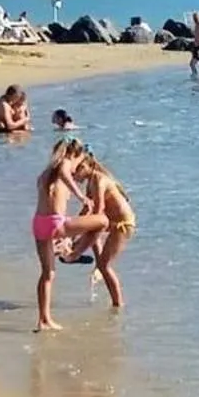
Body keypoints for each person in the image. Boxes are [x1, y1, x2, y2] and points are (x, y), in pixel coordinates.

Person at [31, 139, 108, 333]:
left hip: (39, 224)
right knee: (103, 221)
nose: (76, 169)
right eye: (79, 161)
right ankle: (73, 254)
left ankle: (43, 320)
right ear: (75, 155)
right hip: (55, 224)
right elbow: (65, 172)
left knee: (48, 274)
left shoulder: (46, 172)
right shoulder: (64, 163)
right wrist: (81, 197)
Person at [72, 150, 136, 310]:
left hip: (123, 224)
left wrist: (79, 238)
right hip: (111, 222)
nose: (73, 175)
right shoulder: (90, 183)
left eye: (76, 171)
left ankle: (118, 305)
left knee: (105, 266)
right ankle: (94, 261)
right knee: (91, 230)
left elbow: (98, 210)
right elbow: (86, 210)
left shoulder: (99, 180)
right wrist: (70, 233)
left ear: (86, 166)